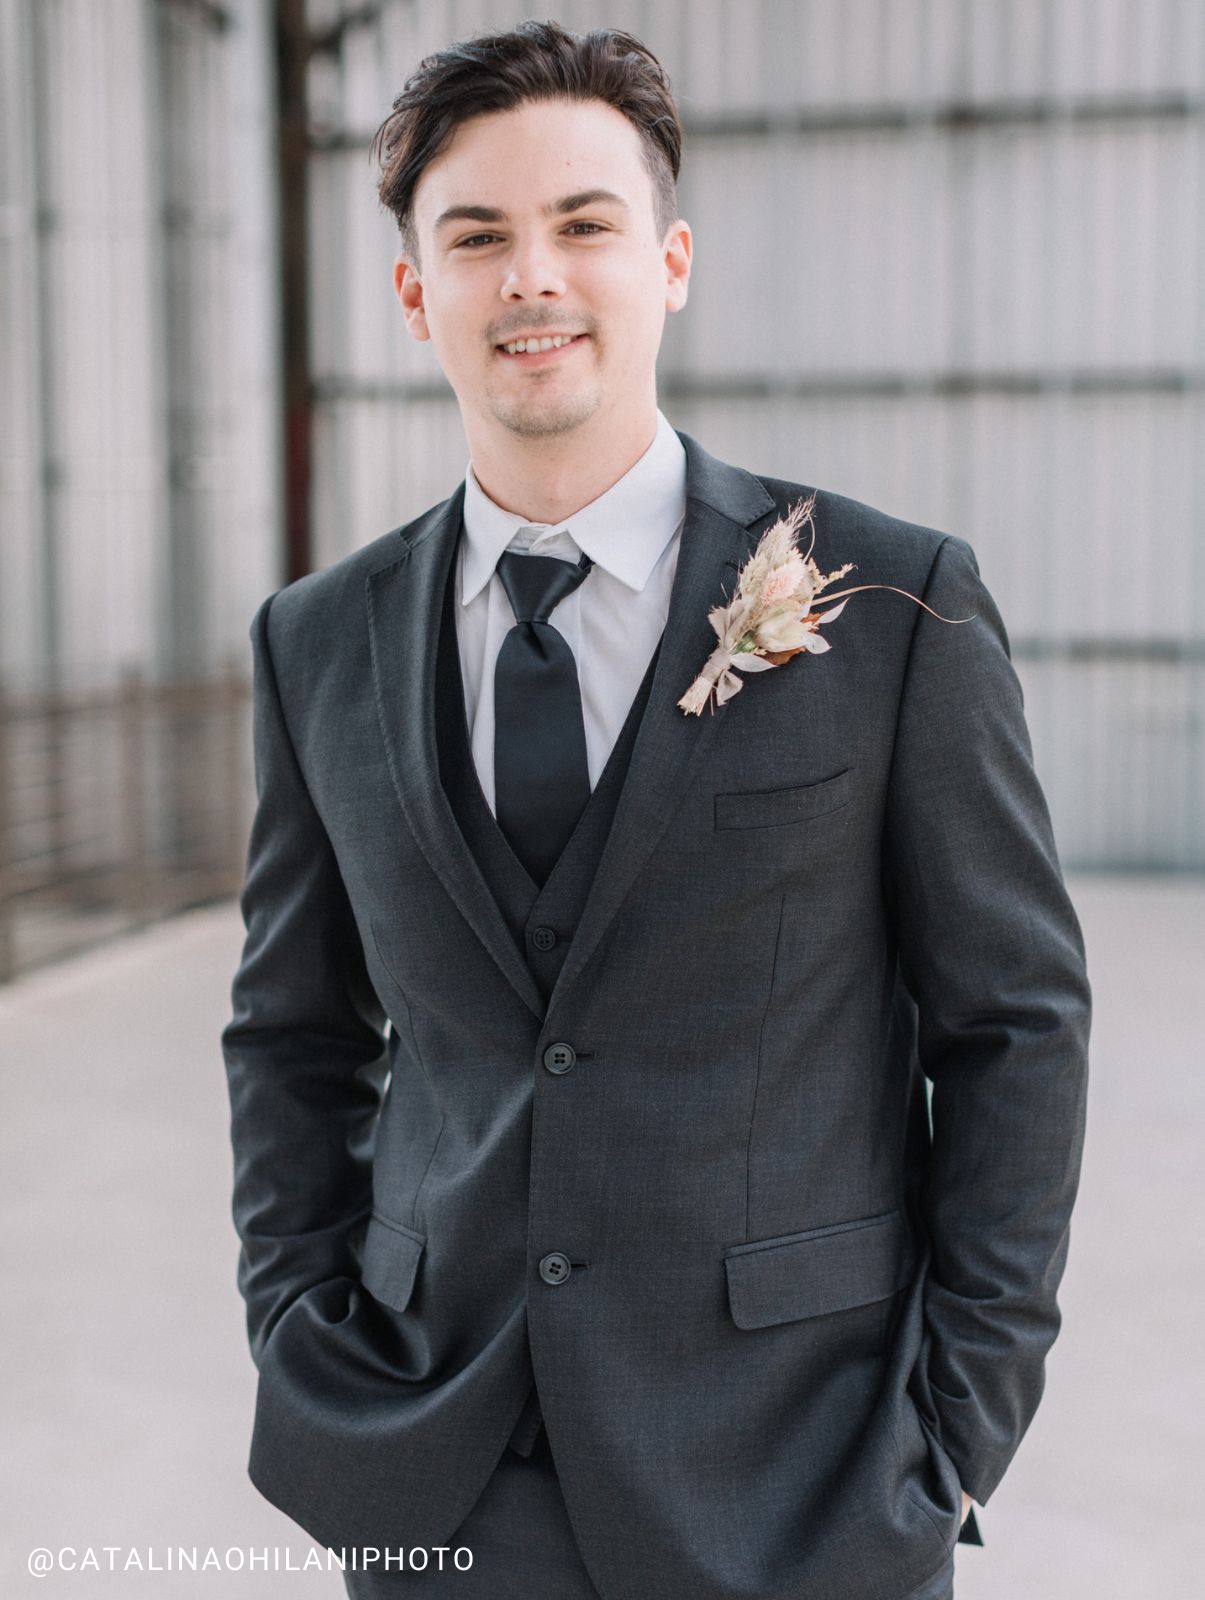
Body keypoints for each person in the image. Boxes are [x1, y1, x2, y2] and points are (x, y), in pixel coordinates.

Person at [221, 20, 1091, 1600]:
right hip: (433, 1465)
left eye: (583, 225)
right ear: (416, 292)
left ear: (668, 262)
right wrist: (299, 1328)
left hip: (803, 1470)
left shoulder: (892, 605)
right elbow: (292, 1032)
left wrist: (955, 1425)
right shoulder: (315, 641)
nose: (529, 276)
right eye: (474, 237)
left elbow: (1013, 1023)